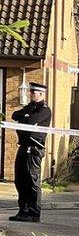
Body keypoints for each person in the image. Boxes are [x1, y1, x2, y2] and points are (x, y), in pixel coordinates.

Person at [10, 83, 51, 222]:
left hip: (34, 149)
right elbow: (15, 115)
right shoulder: (29, 107)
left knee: (32, 180)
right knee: (20, 180)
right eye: (31, 91)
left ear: (41, 94)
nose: (31, 93)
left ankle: (34, 213)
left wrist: (25, 116)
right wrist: (25, 114)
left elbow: (31, 120)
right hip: (23, 146)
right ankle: (23, 210)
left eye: (34, 92)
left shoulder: (44, 110)